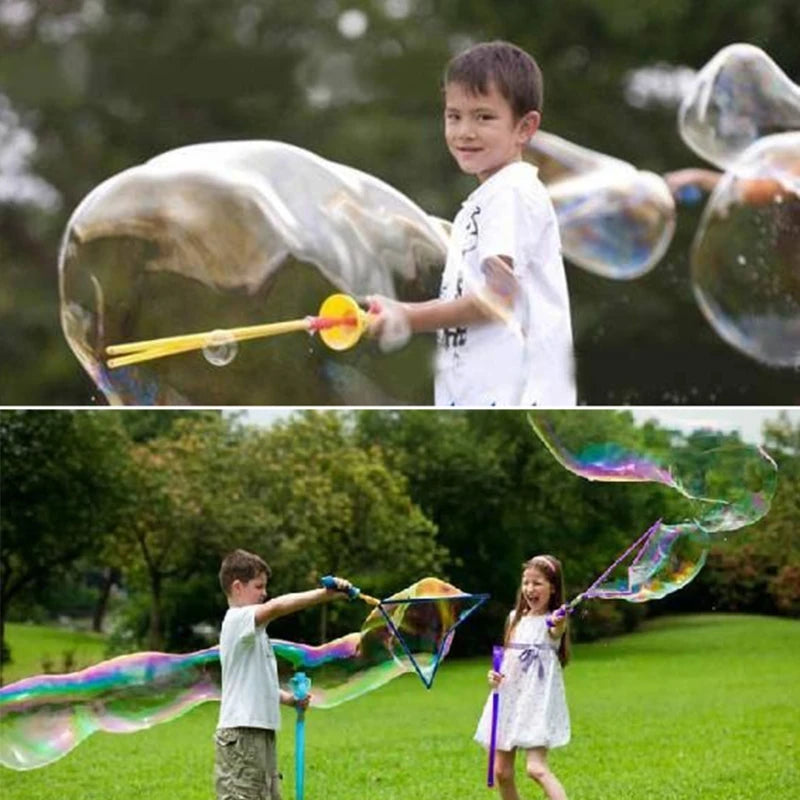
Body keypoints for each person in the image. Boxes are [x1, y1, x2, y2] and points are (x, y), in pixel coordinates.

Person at [368, 41, 575, 407]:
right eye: (454, 116)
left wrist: (408, 316)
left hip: (517, 399)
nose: (464, 131)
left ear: (525, 128)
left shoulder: (509, 193)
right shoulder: (488, 199)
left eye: (483, 117)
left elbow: (497, 300)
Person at [214, 549, 352, 800]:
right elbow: (276, 607)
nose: (264, 593)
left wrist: (289, 699)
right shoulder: (236, 620)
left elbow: (257, 683)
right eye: (259, 586)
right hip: (242, 733)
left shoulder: (255, 634)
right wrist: (324, 595)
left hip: (260, 731)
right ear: (237, 587)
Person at [475, 555, 571, 800]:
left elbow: (556, 628)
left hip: (536, 700)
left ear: (553, 588)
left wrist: (558, 620)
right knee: (501, 772)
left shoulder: (553, 621)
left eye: (537, 583)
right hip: (508, 697)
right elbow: (507, 659)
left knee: (536, 769)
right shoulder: (514, 619)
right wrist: (494, 675)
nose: (530, 589)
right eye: (526, 582)